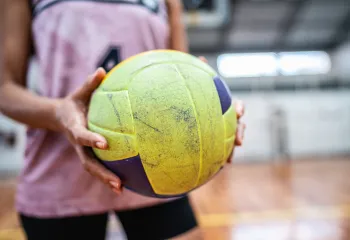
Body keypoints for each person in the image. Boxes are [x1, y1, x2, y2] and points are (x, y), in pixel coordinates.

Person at [0, 0, 246, 239]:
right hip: (58, 174)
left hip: (158, 168)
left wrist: (211, 110)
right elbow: (5, 89)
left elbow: (181, 71)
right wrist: (59, 113)